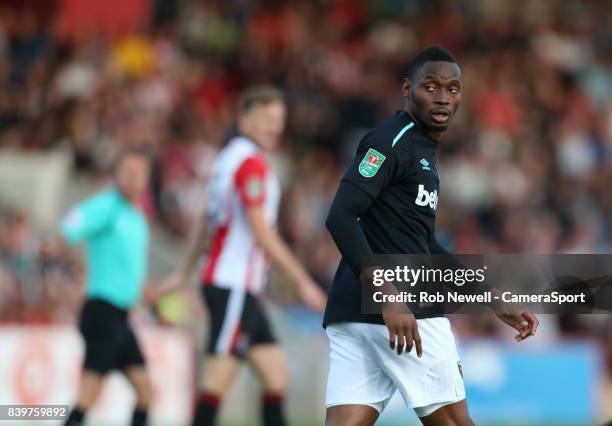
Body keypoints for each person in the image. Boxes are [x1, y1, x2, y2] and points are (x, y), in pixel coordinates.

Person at [323, 46, 539, 426]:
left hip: (357, 314)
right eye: (431, 87)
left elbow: (425, 246)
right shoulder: (390, 141)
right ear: (407, 89)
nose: (443, 98)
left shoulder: (420, 148)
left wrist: (489, 297)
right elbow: (341, 216)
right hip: (401, 307)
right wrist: (388, 295)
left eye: (453, 89)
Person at [157, 86, 326, 426]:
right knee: (217, 379)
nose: (274, 127)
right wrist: (304, 282)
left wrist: (184, 272)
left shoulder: (226, 159)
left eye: (279, 120)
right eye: (266, 119)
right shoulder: (249, 163)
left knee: (275, 374)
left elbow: (207, 219)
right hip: (234, 284)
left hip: (236, 285)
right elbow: (261, 231)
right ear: (244, 119)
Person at [62, 147, 154, 426]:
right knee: (89, 392)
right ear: (116, 175)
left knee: (144, 391)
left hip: (121, 315)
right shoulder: (108, 206)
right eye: (127, 172)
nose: (133, 178)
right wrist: (61, 242)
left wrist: (150, 293)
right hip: (102, 311)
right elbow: (73, 222)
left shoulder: (136, 218)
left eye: (139, 173)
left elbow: (132, 271)